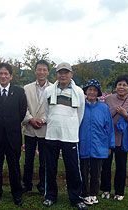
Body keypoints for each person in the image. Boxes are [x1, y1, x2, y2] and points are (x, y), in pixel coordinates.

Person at [42, 62, 87, 210]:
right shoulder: (49, 91)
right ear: (56, 74)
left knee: (73, 168)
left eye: (66, 72)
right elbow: (47, 112)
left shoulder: (79, 92)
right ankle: (50, 196)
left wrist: (71, 126)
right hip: (52, 134)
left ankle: (75, 198)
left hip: (70, 136)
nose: (63, 75)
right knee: (50, 168)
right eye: (60, 72)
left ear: (71, 74)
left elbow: (80, 114)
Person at [0, 63, 27, 206]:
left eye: (6, 74)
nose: (3, 76)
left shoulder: (19, 92)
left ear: (11, 76)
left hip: (13, 136)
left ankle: (17, 194)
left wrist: (10, 123)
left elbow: (21, 112)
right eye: (0, 73)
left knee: (14, 166)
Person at [100, 74, 128, 201]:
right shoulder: (108, 99)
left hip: (123, 140)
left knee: (121, 167)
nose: (121, 87)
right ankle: (106, 190)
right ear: (116, 86)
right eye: (119, 84)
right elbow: (103, 117)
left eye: (124, 85)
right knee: (105, 166)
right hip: (108, 139)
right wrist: (115, 112)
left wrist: (125, 115)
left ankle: (119, 192)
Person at [79, 79, 115, 205]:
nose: (92, 92)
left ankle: (94, 193)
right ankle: (84, 193)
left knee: (96, 171)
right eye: (90, 89)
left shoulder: (104, 108)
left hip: (99, 144)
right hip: (82, 143)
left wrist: (110, 145)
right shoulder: (80, 106)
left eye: (95, 90)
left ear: (98, 92)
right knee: (83, 170)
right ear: (86, 91)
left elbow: (109, 128)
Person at [22, 60, 52, 195]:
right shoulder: (26, 88)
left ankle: (42, 185)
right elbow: (23, 107)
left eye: (44, 70)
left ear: (48, 72)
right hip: (29, 129)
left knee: (44, 161)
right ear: (35, 71)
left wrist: (43, 120)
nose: (41, 72)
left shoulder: (53, 88)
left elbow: (53, 109)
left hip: (45, 130)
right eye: (39, 69)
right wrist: (30, 119)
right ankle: (27, 184)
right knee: (28, 160)